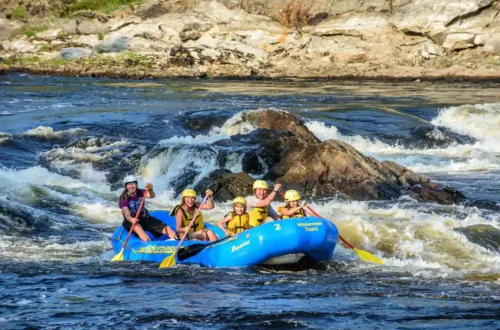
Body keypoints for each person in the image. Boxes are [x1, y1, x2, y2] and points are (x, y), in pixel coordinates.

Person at [119, 175, 176, 242]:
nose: (131, 186)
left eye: (133, 184)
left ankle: (177, 241)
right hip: (131, 221)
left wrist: (151, 189)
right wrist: (132, 219)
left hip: (144, 218)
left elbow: (152, 196)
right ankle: (149, 244)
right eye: (129, 184)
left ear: (136, 185)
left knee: (167, 228)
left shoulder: (140, 192)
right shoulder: (124, 199)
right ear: (126, 187)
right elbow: (127, 214)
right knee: (137, 227)